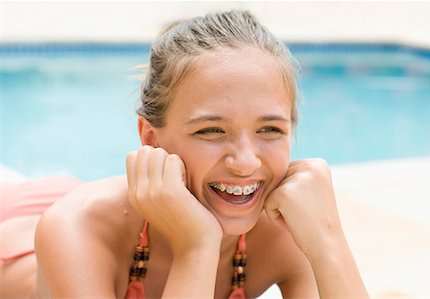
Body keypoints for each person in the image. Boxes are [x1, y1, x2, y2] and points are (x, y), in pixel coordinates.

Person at [0, 10, 369, 298]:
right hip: (22, 225)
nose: (246, 162)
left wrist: (328, 239)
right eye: (211, 130)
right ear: (150, 137)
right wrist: (196, 246)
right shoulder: (75, 230)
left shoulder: (287, 227)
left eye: (269, 129)